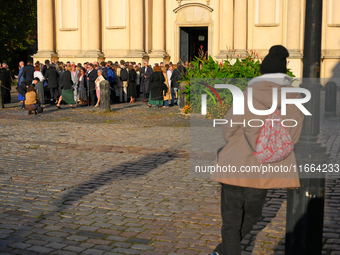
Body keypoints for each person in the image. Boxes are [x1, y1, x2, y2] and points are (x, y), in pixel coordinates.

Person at [207, 45, 304, 255]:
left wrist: (238, 144)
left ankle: (224, 251)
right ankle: (223, 250)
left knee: (231, 221)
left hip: (235, 163)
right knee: (252, 216)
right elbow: (293, 137)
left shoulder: (246, 94)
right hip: (264, 169)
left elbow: (228, 129)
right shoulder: (295, 97)